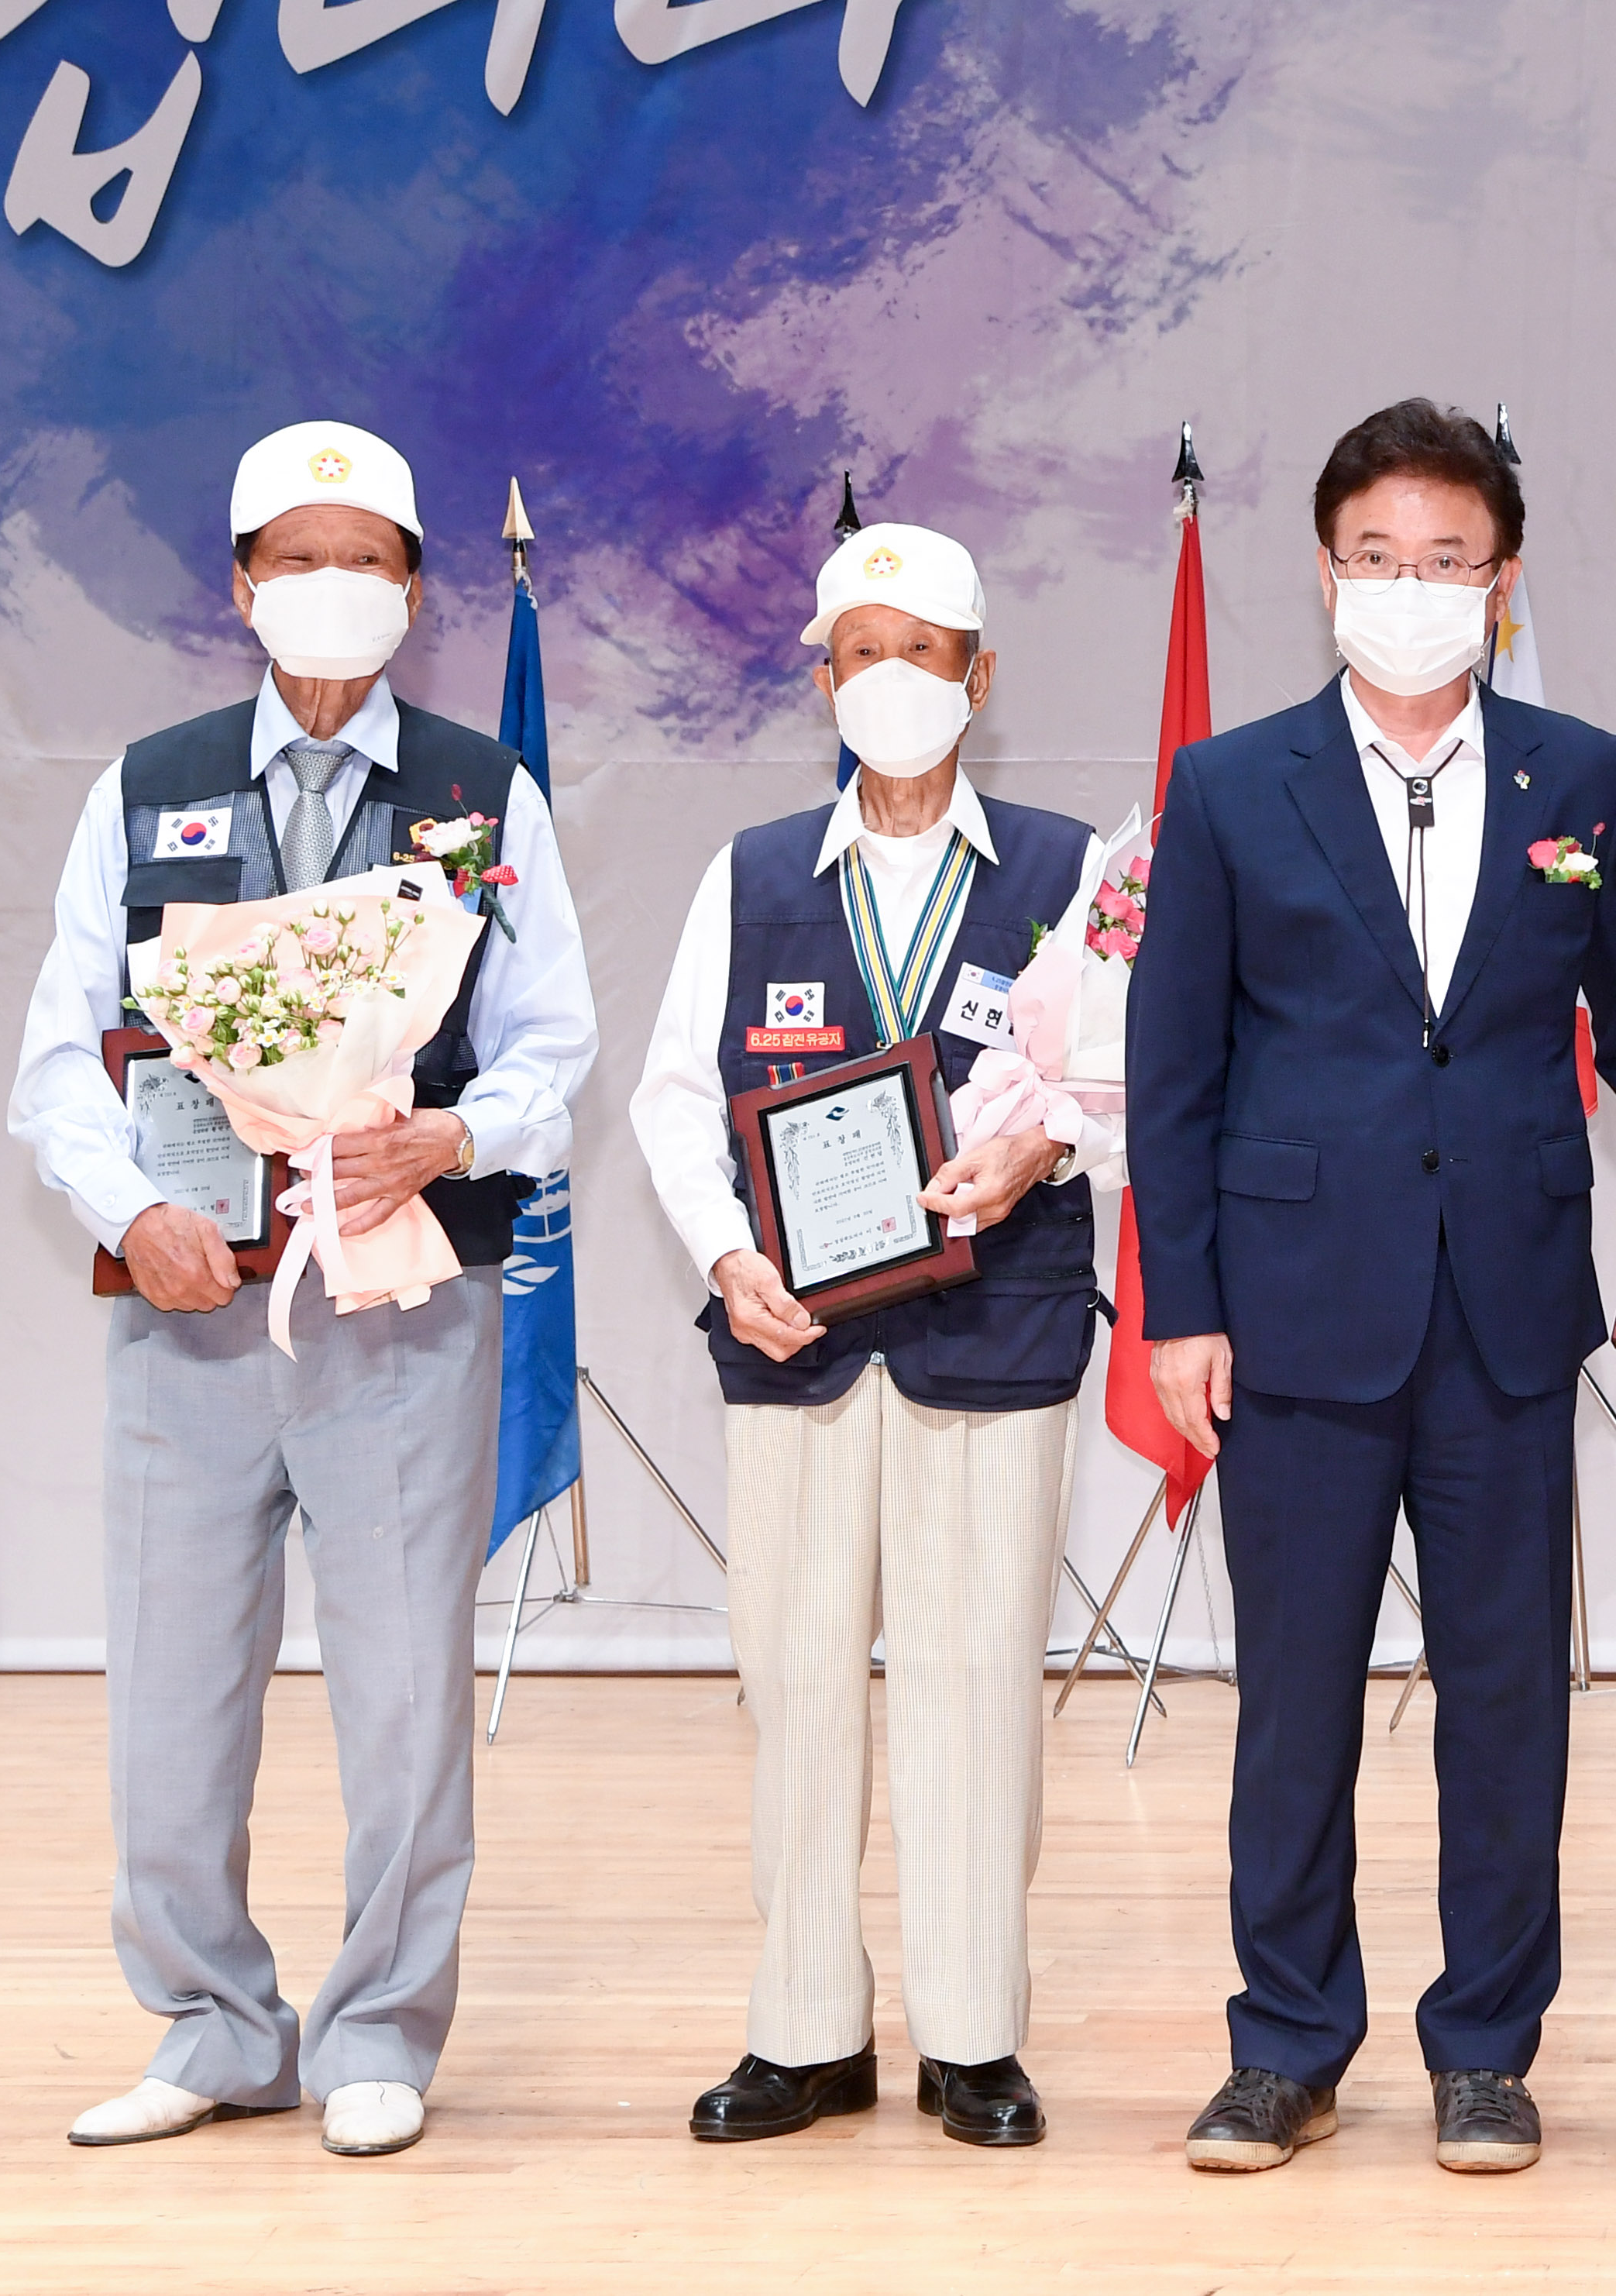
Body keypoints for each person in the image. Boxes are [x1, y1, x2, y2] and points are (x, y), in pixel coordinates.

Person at [5, 419, 597, 2159]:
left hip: (405, 1303)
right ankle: (211, 2024)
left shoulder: (484, 795)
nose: (333, 585)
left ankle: (379, 2030)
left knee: (404, 1693)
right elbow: (57, 1058)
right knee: (170, 1688)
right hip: (190, 1306)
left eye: (366, 560)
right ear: (242, 583)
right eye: (298, 558)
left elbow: (553, 1043)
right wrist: (131, 1205)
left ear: (414, 590)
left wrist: (456, 1135)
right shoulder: (145, 787)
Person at [1129, 399, 1616, 2176]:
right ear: (1326, 574)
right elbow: (1174, 1070)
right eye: (1379, 556)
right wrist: (1182, 1309)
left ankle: (1487, 2051)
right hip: (1293, 1313)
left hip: (1506, 1310)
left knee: (1508, 1697)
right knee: (1294, 1700)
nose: (1412, 584)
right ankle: (1287, 2045)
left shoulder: (1579, 774)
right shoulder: (1232, 786)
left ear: (1501, 583)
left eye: (1449, 559)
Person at [630, 523, 1122, 2150]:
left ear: (980, 678)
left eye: (924, 652)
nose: (891, 679)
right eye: (863, 653)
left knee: (976, 1686)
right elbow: (674, 1097)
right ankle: (804, 2032)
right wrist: (723, 1251)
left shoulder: (1072, 870)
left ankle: (973, 2037)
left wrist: (1043, 1145)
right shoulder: (753, 871)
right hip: (798, 1339)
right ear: (821, 680)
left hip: (996, 1328)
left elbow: (1138, 1084)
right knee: (794, 1686)